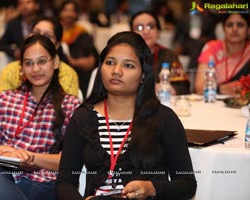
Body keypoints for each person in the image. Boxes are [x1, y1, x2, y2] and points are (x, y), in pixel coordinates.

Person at [56, 31, 197, 200]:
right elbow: (64, 183)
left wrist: (150, 188)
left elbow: (187, 185)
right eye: (110, 63)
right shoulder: (83, 117)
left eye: (128, 65)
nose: (116, 71)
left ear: (143, 74)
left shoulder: (163, 119)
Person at [0, 34, 82, 200]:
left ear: (55, 62)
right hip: (2, 176)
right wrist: (6, 155)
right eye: (29, 63)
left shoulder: (71, 105)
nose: (36, 69)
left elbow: (71, 160)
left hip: (45, 182)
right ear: (21, 68)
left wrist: (28, 157)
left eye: (42, 61)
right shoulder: (4, 99)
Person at [0, 16, 79, 98]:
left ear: (57, 45)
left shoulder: (67, 74)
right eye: (36, 33)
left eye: (47, 36)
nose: (39, 39)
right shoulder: (10, 70)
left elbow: (68, 110)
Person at [130, 10, 190, 95]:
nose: (145, 32)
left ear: (158, 31)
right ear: (131, 33)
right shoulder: (125, 56)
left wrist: (164, 89)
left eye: (150, 26)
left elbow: (183, 86)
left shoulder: (169, 55)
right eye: (139, 28)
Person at [195, 13, 250, 95]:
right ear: (223, 28)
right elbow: (199, 88)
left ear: (248, 29)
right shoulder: (212, 47)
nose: (234, 29)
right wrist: (221, 89)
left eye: (240, 25)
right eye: (229, 25)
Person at [59, 0, 98, 98]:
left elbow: (91, 62)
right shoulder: (53, 32)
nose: (69, 14)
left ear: (76, 14)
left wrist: (73, 62)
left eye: (72, 11)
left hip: (79, 75)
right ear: (60, 12)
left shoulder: (82, 33)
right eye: (65, 10)